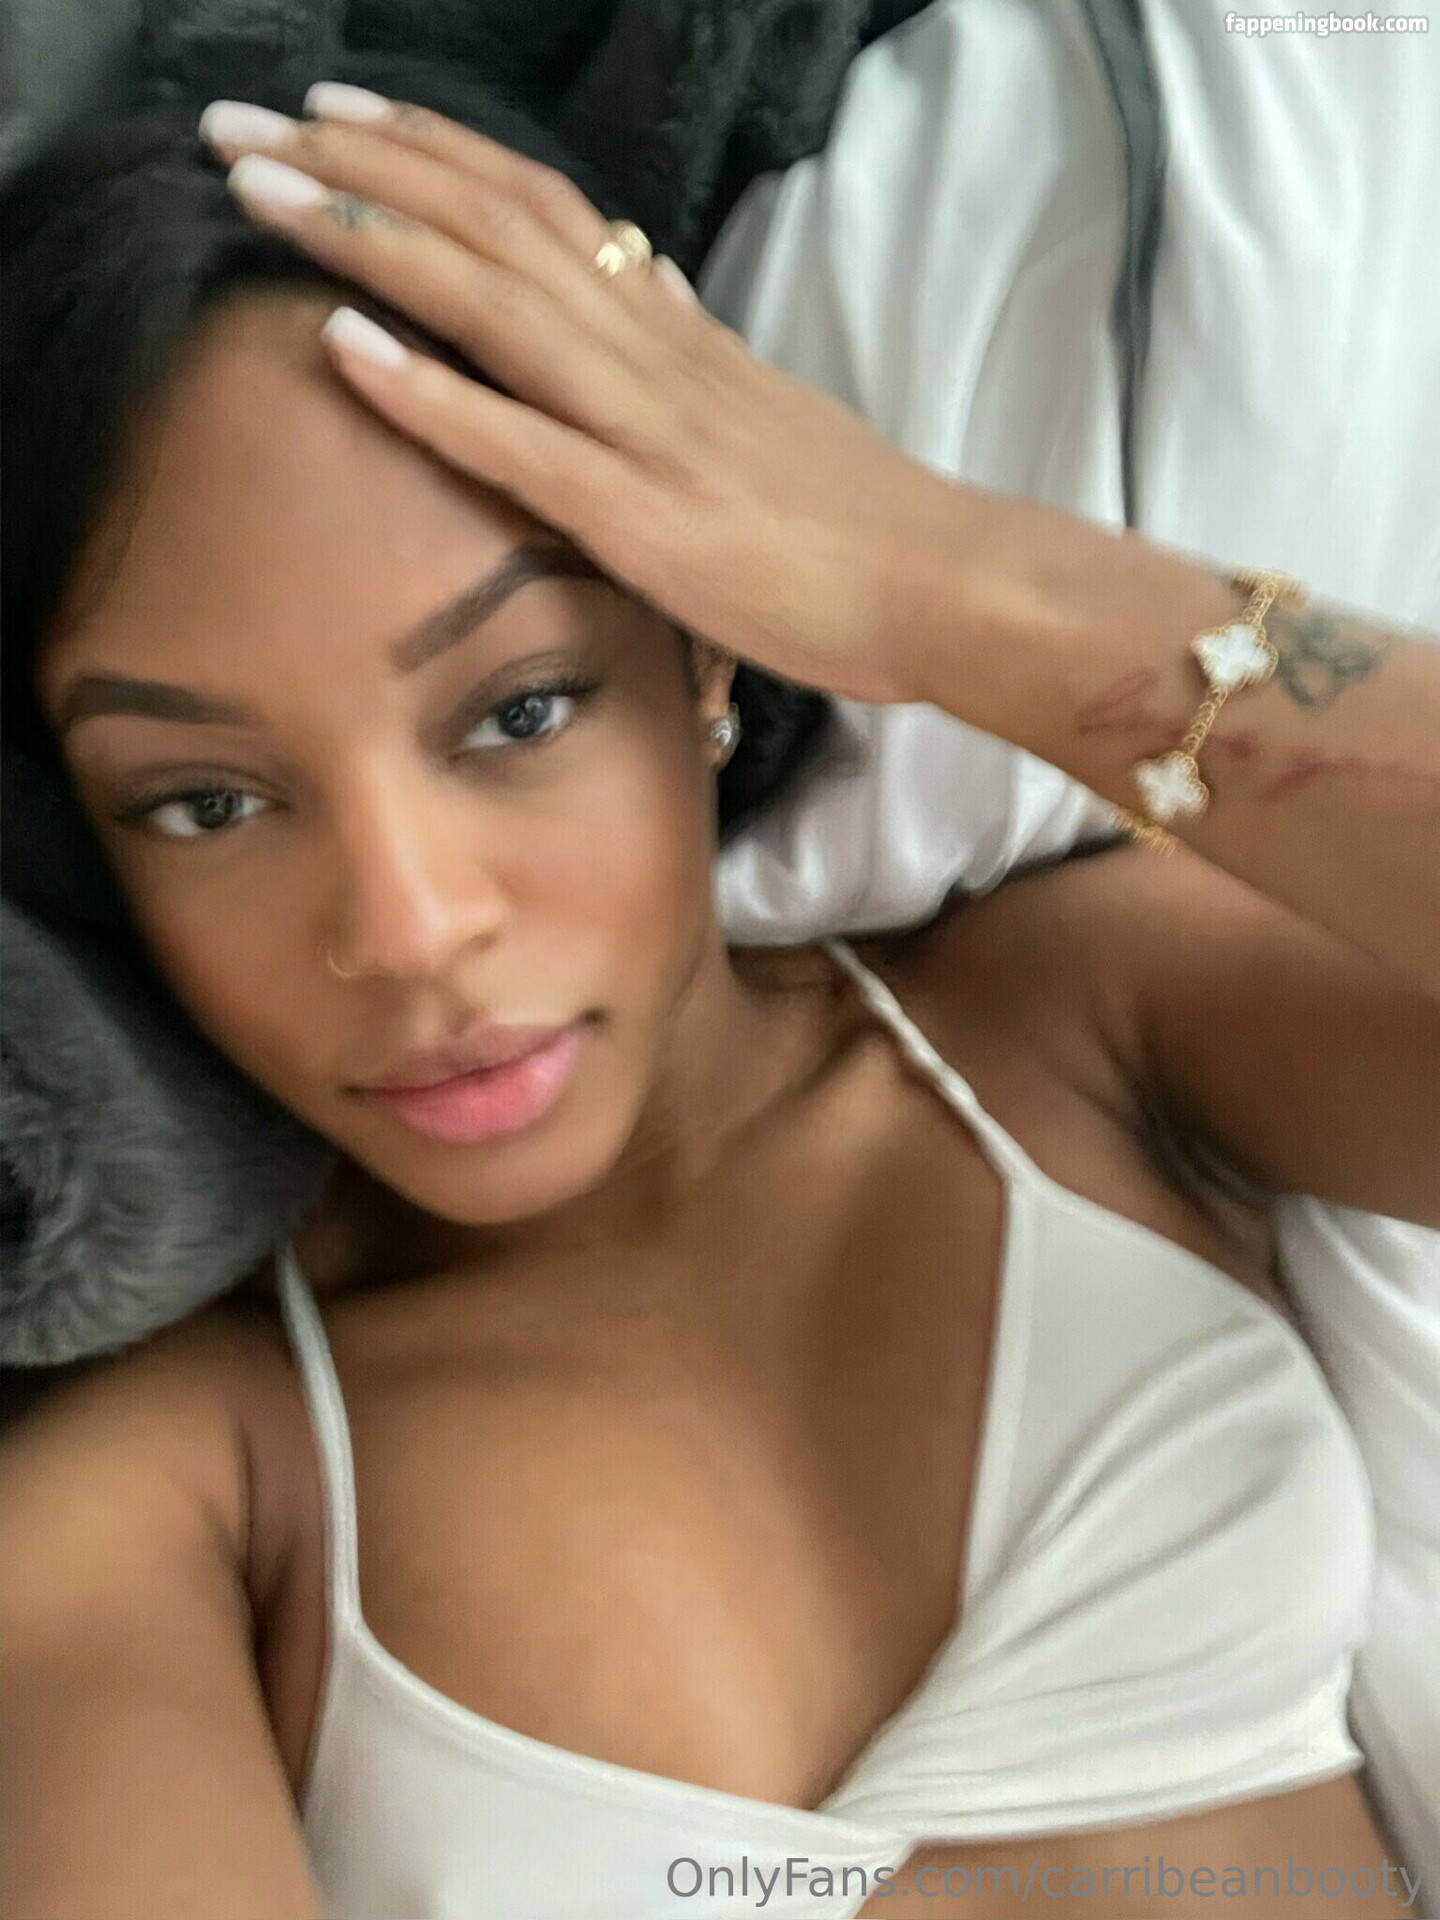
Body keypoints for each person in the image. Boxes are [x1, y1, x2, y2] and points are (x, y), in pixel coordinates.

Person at [1, 65, 1436, 1920]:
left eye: (521, 709)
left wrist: (942, 578)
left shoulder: (1075, 1028)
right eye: (206, 803)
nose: (411, 927)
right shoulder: (158, 1509)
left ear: (702, 655)